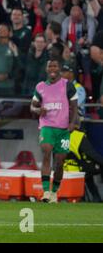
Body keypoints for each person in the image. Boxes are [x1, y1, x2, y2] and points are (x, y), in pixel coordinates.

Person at [31, 59, 78, 203]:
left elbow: (74, 107)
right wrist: (39, 110)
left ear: (59, 69)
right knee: (46, 151)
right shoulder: (40, 87)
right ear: (46, 69)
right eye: (49, 65)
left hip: (63, 129)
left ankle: (54, 192)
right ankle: (45, 191)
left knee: (60, 161)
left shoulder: (67, 86)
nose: (52, 68)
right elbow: (32, 107)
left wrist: (72, 123)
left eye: (55, 66)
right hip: (47, 126)